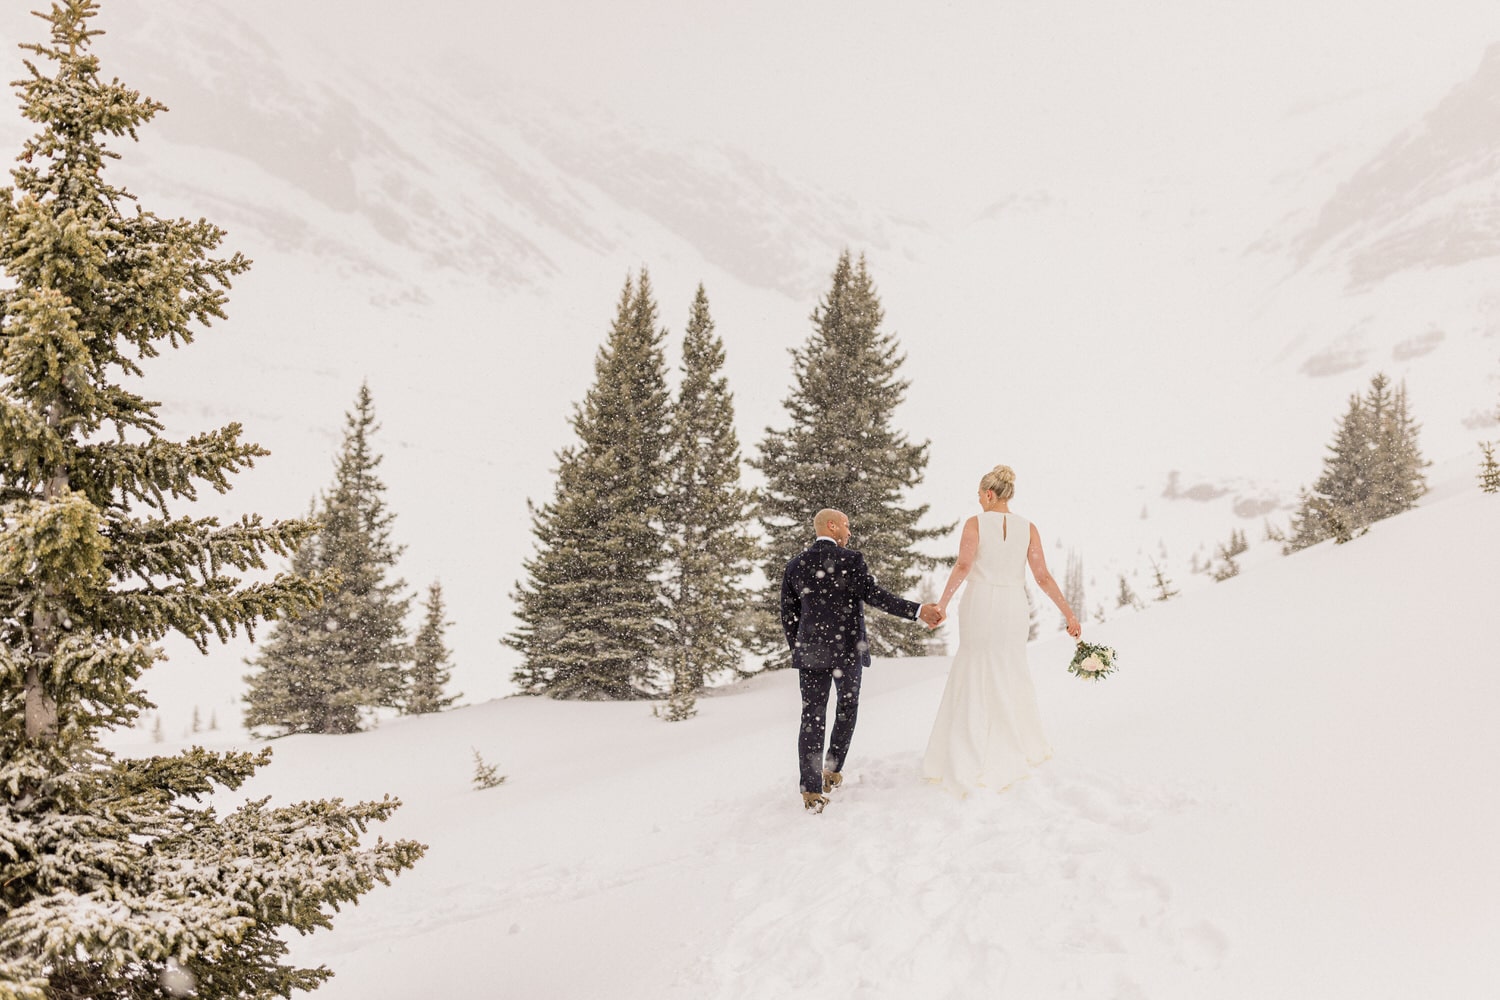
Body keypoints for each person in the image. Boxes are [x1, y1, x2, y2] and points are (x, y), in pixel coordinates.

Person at [922, 465, 1079, 793]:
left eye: (980, 494)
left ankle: (971, 745)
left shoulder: (975, 524)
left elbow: (964, 565)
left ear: (990, 494)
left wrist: (943, 604)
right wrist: (1069, 614)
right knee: (1009, 665)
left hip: (980, 601)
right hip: (1012, 605)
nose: (978, 500)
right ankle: (1018, 743)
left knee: (976, 664)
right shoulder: (1029, 528)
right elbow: (1043, 576)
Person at [782, 508, 944, 812]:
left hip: (812, 653)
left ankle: (811, 791)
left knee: (812, 717)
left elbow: (787, 615)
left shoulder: (795, 566)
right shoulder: (850, 560)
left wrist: (801, 648)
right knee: (847, 707)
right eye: (846, 525)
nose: (849, 531)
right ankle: (830, 769)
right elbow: (876, 595)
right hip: (846, 651)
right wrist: (917, 611)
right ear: (832, 526)